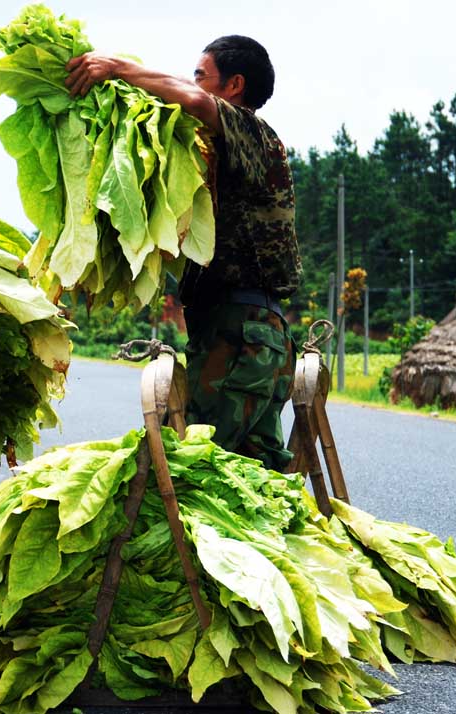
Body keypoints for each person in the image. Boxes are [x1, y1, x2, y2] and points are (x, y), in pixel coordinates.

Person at [66, 35, 302, 471]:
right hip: (238, 333)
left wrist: (116, 67)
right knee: (248, 477)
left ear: (234, 84)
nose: (192, 84)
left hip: (243, 335)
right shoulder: (225, 152)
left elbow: (193, 101)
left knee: (206, 470)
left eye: (201, 75)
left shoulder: (252, 132)